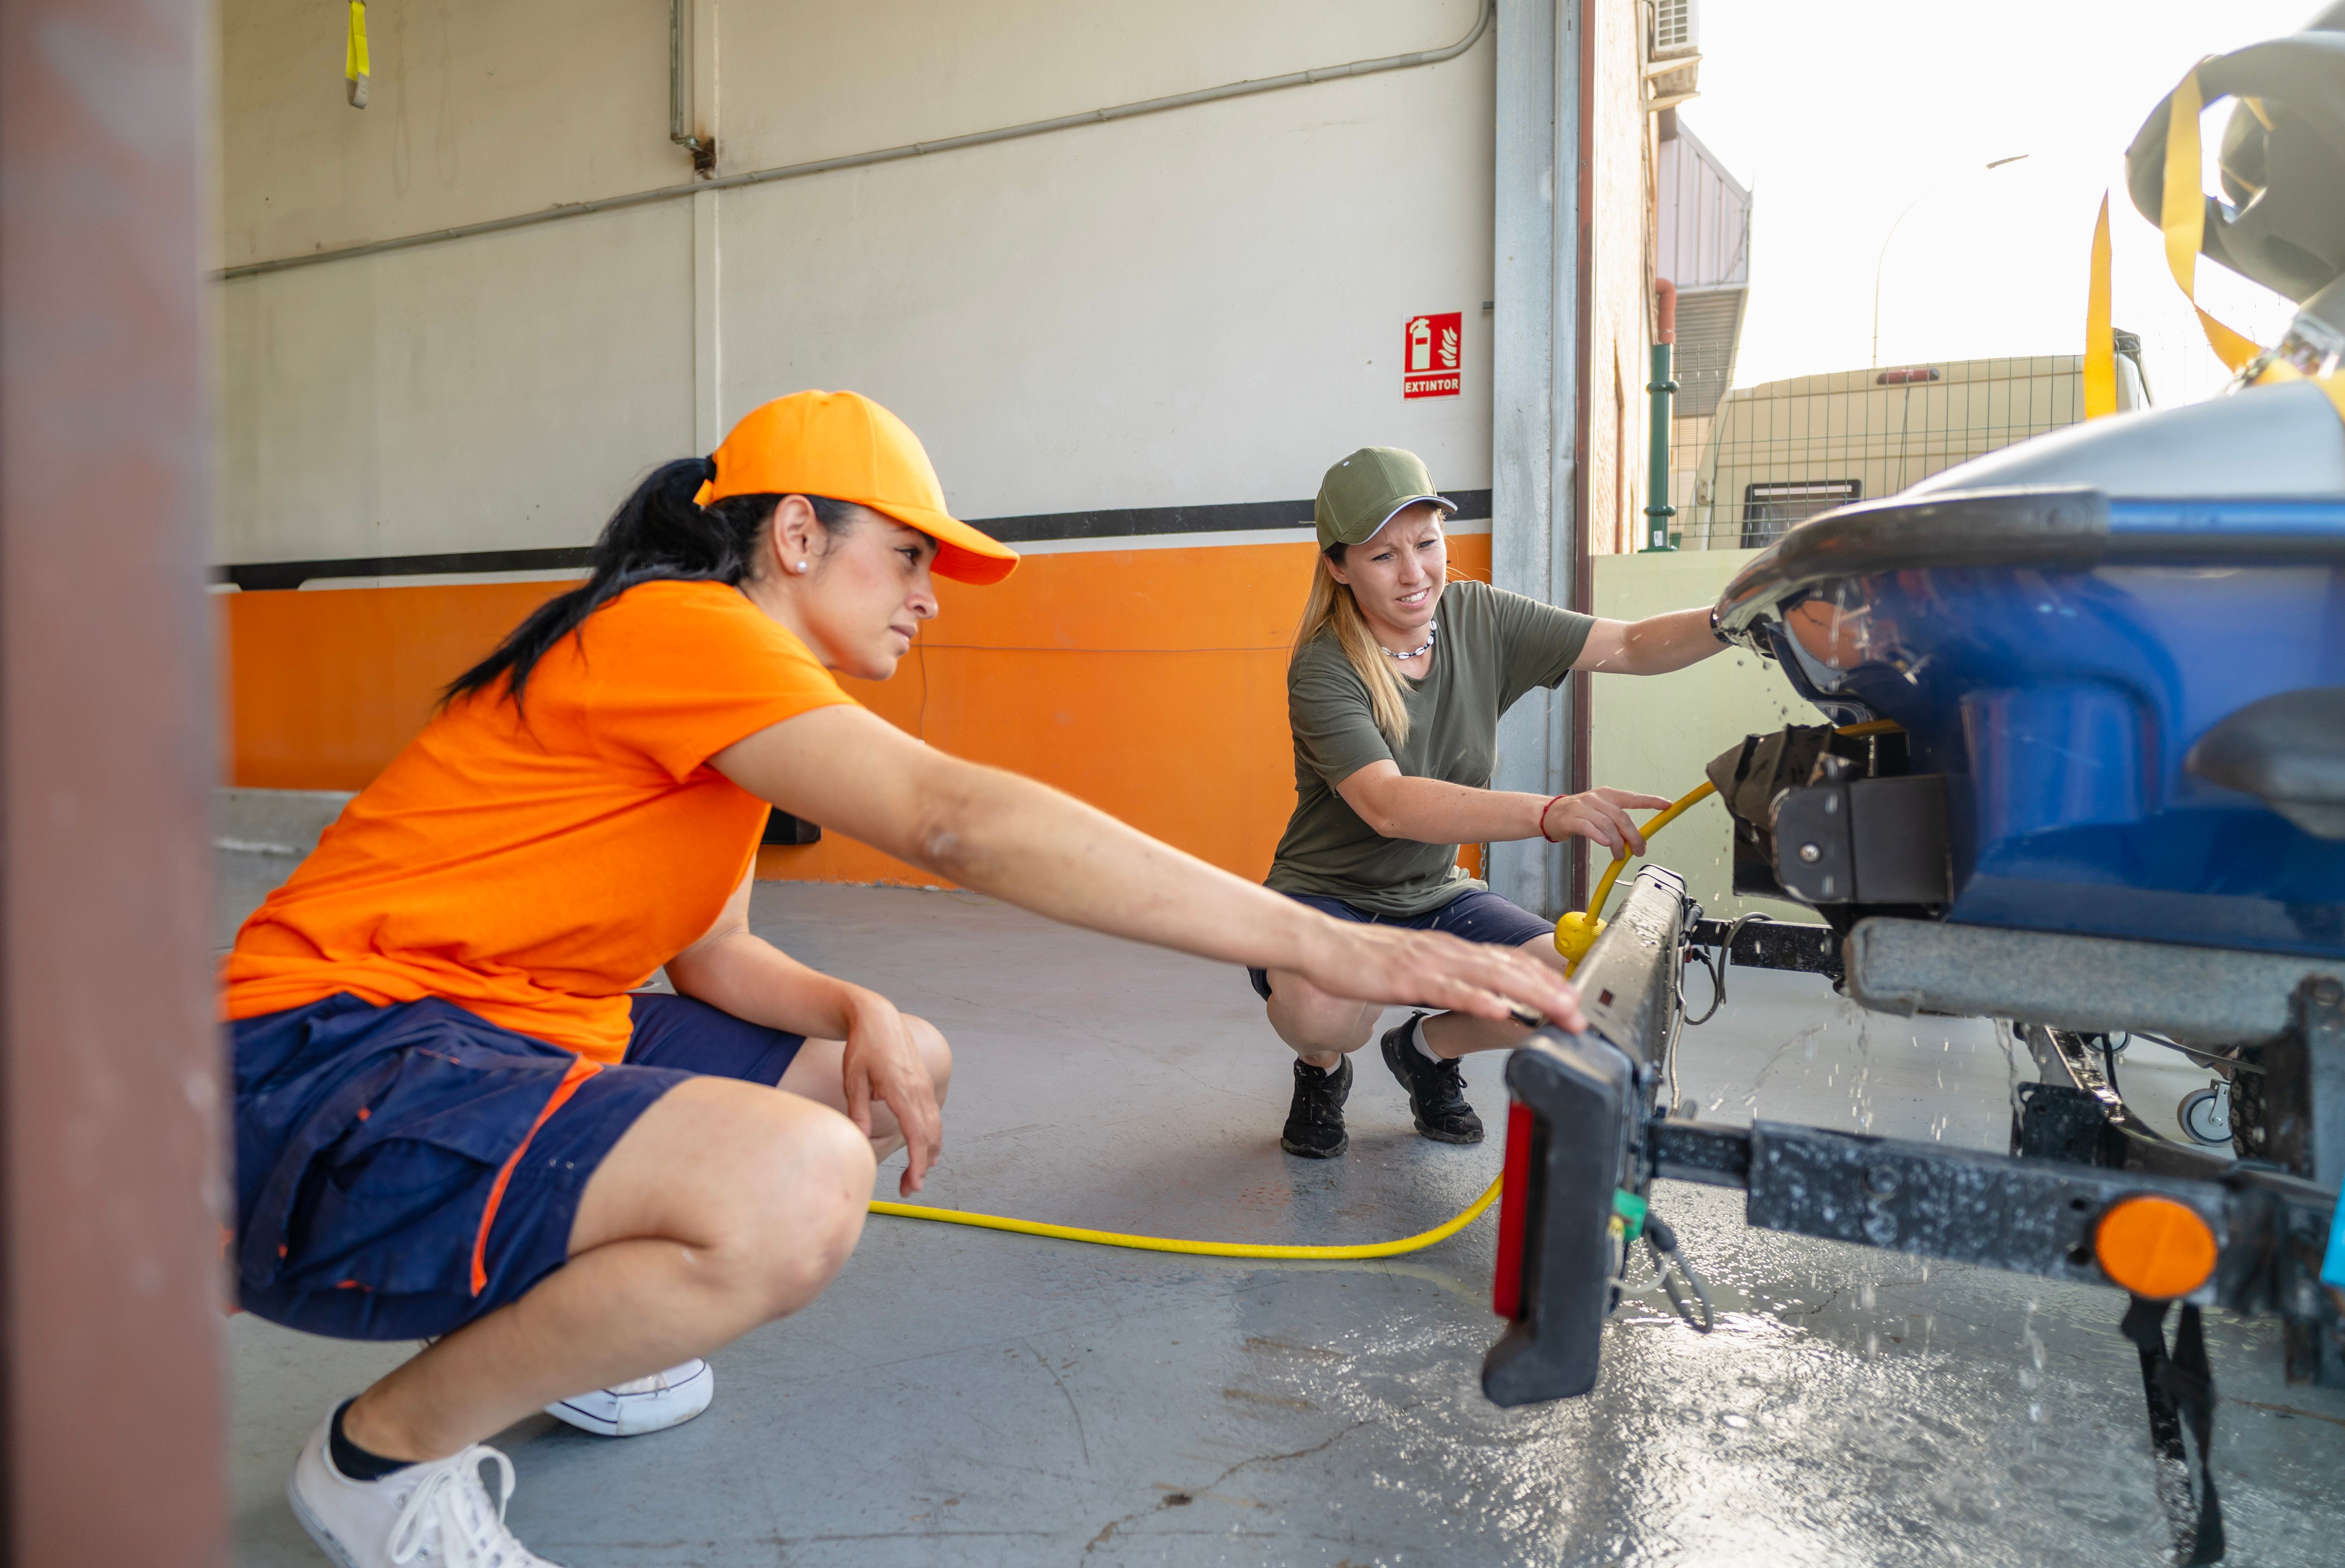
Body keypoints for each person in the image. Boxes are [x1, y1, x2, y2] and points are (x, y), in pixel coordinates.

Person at [229, 391, 1580, 1568]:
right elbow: (954, 823)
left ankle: (586, 1350)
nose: (929, 598)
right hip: (322, 1066)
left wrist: (860, 1008)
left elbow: (712, 955)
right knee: (795, 1180)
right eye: (907, 559)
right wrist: (1340, 943)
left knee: (893, 1062)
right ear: (797, 535)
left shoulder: (727, 703)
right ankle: (380, 1461)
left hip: (492, 1043)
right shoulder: (679, 629)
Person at [1255, 446, 1727, 1158]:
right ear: (1338, 566)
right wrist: (1549, 812)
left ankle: (1424, 1048)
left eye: (1426, 543)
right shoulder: (1324, 665)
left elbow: (1631, 645)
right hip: (1328, 895)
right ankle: (1321, 1069)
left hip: (1431, 893)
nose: (1415, 574)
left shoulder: (1479, 617)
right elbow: (1388, 804)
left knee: (1579, 993)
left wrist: (1736, 619)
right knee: (1327, 1017)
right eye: (1383, 557)